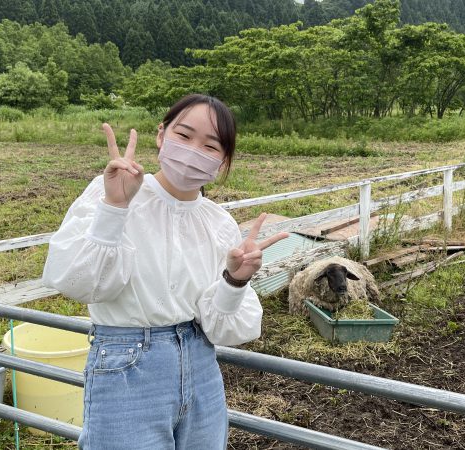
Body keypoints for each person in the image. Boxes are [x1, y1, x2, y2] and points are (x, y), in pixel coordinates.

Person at [41, 94, 288, 449]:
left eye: (210, 145)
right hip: (127, 364)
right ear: (161, 135)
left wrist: (235, 281)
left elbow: (220, 326)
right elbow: (80, 283)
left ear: (223, 161)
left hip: (201, 363)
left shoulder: (218, 223)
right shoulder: (112, 192)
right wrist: (115, 207)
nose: (193, 150)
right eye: (184, 136)